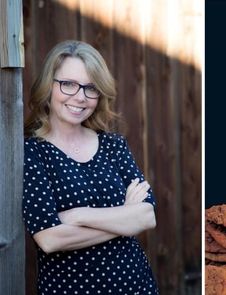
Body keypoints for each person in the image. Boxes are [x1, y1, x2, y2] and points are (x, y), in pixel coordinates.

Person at [23, 40, 159, 295]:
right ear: (48, 86)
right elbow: (49, 239)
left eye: (90, 88)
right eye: (68, 84)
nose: (80, 97)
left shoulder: (113, 145)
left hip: (135, 286)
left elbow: (146, 217)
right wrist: (124, 217)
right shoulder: (32, 152)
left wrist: (79, 215)